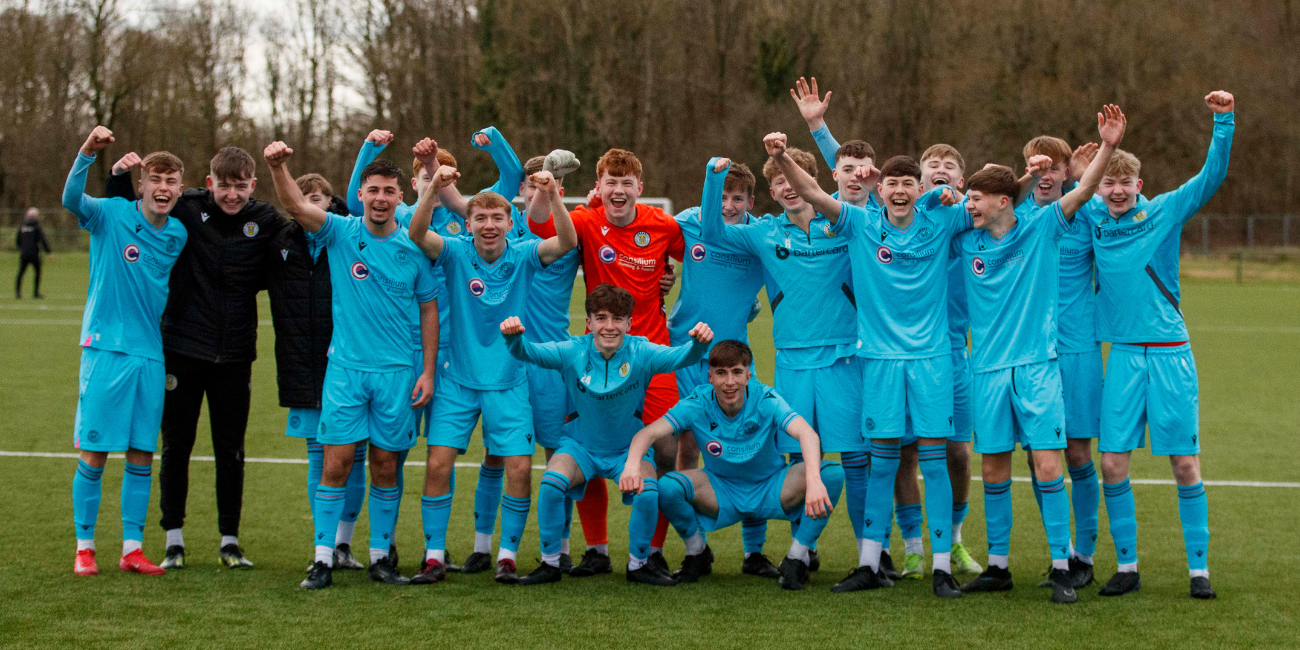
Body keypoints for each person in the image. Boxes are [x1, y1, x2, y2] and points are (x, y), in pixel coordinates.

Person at [768, 132, 967, 599]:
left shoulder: (943, 222)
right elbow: (816, 192)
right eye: (892, 183)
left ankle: (942, 568)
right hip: (877, 363)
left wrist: (958, 189)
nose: (900, 191)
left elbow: (996, 202)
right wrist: (779, 156)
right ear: (880, 190)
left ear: (918, 188)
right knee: (881, 465)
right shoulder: (859, 224)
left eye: (908, 184)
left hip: (932, 362)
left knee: (935, 464)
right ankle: (868, 563)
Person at [950, 104, 1126, 604]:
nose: (970, 206)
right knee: (993, 468)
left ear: (1000, 201)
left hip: (1036, 367)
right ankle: (1000, 566)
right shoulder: (965, 239)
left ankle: (1060, 565)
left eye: (976, 199)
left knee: (1049, 464)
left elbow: (1086, 190)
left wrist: (1109, 146)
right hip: (986, 370)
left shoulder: (1044, 227)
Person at [1075, 91, 1234, 600]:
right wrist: (1078, 165)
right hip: (1121, 356)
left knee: (1185, 464)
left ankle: (1199, 570)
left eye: (1125, 183)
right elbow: (1055, 200)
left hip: (1168, 354)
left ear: (1139, 185)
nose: (1116, 191)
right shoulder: (1093, 217)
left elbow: (1211, 176)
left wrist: (1223, 121)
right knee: (1111, 463)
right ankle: (1127, 566)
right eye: (1108, 183)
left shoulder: (1164, 211)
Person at [344, 127, 526, 571]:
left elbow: (511, 179)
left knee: (471, 454)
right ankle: (384, 543)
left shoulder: (466, 218)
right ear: (414, 184)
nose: (434, 185)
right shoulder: (405, 217)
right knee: (395, 452)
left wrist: (493, 142)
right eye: (426, 179)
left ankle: (481, 548)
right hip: (413, 352)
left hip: (463, 355)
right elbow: (355, 203)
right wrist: (372, 149)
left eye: (443, 180)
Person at [264, 141, 440, 590]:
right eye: (373, 189)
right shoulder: (340, 232)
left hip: (398, 374)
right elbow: (294, 204)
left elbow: (428, 311)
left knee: (385, 464)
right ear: (359, 194)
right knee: (336, 463)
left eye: (389, 191)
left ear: (402, 198)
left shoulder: (416, 248)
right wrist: (278, 166)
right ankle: (322, 557)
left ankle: (381, 557)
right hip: (345, 372)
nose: (381, 197)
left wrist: (428, 371)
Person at [404, 144, 577, 585]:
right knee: (438, 463)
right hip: (458, 381)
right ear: (468, 224)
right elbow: (417, 234)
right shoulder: (456, 253)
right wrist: (434, 187)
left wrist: (553, 191)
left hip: (509, 381)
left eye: (497, 217)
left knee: (518, 467)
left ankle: (506, 556)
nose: (488, 224)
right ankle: (435, 557)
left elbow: (568, 242)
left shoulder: (522, 254)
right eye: (479, 217)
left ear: (509, 223)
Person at [105, 145, 285, 570]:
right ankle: (173, 540)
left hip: (237, 354)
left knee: (231, 450)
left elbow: (308, 227)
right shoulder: (185, 208)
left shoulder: (266, 220)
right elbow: (127, 210)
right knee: (176, 447)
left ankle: (230, 540)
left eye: (240, 187)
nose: (231, 195)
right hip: (181, 350)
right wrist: (117, 175)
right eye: (224, 186)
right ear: (209, 184)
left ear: (252, 186)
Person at [700, 150, 860, 580]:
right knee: (796, 457)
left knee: (856, 459)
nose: (788, 188)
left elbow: (865, 189)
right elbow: (712, 230)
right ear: (770, 193)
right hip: (791, 358)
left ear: (810, 179)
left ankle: (870, 555)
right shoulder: (765, 233)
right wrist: (714, 178)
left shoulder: (844, 222)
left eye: (795, 178)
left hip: (844, 356)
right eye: (778, 184)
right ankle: (802, 550)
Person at [501, 283, 713, 586]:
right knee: (550, 484)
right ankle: (550, 564)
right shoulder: (572, 350)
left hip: (628, 450)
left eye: (617, 319)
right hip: (579, 447)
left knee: (647, 491)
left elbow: (684, 358)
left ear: (629, 323)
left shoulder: (642, 351)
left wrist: (699, 344)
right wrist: (513, 338)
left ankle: (638, 565)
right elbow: (528, 352)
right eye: (601, 318)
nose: (609, 326)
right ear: (588, 323)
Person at [63, 126, 187, 576]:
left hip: (150, 357)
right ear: (142, 185)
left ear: (178, 189)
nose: (163, 188)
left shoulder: (177, 235)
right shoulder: (111, 215)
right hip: (105, 353)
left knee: (141, 455)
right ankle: (85, 547)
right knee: (94, 453)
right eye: (156, 179)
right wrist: (87, 154)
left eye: (171, 181)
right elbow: (71, 199)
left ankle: (132, 549)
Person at [622, 340, 843, 590]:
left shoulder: (765, 398)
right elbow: (646, 434)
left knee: (832, 474)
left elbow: (807, 434)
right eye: (721, 373)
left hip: (772, 488)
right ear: (710, 376)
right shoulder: (697, 403)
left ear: (748, 375)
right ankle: (697, 553)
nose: (729, 382)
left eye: (737, 372)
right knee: (668, 487)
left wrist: (814, 481)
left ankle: (796, 559)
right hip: (721, 491)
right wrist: (631, 465)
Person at [565, 148, 686, 577]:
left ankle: (651, 551)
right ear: (598, 188)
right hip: (594, 359)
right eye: (610, 183)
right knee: (589, 451)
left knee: (669, 452)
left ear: (641, 188)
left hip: (652, 358)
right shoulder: (583, 220)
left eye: (626, 183)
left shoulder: (665, 226)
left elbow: (694, 257)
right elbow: (540, 224)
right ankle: (597, 549)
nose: (619, 190)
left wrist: (668, 280)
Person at [666, 158, 776, 576]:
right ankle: (696, 549)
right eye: (723, 196)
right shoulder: (689, 221)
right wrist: (662, 275)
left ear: (751, 200)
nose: (729, 205)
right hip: (685, 352)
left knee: (752, 451)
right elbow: (651, 244)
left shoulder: (759, 234)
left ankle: (754, 552)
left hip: (734, 358)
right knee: (687, 447)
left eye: (737, 198)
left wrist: (752, 304)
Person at [265, 173, 370, 570]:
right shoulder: (279, 241)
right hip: (300, 358)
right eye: (305, 196)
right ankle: (322, 544)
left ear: (331, 201)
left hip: (348, 358)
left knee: (354, 453)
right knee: (317, 453)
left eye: (320, 197)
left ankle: (343, 544)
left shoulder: (347, 236)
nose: (313, 202)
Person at [1016, 136, 1105, 589]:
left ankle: (1084, 553)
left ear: (1069, 173)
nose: (1047, 174)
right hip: (1030, 356)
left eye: (1057, 167)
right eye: (1040, 167)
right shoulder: (1015, 217)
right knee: (1038, 458)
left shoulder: (1088, 213)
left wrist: (1099, 166)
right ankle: (1061, 550)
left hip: (1077, 351)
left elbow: (1131, 210)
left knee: (1076, 454)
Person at [15, 207, 51, 299]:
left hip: (24, 253)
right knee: (37, 272)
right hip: (34, 253)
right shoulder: (36, 226)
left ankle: (18, 293)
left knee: (21, 272)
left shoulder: (22, 226)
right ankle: (35, 293)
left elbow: (18, 240)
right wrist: (48, 251)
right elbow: (42, 239)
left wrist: (21, 249)